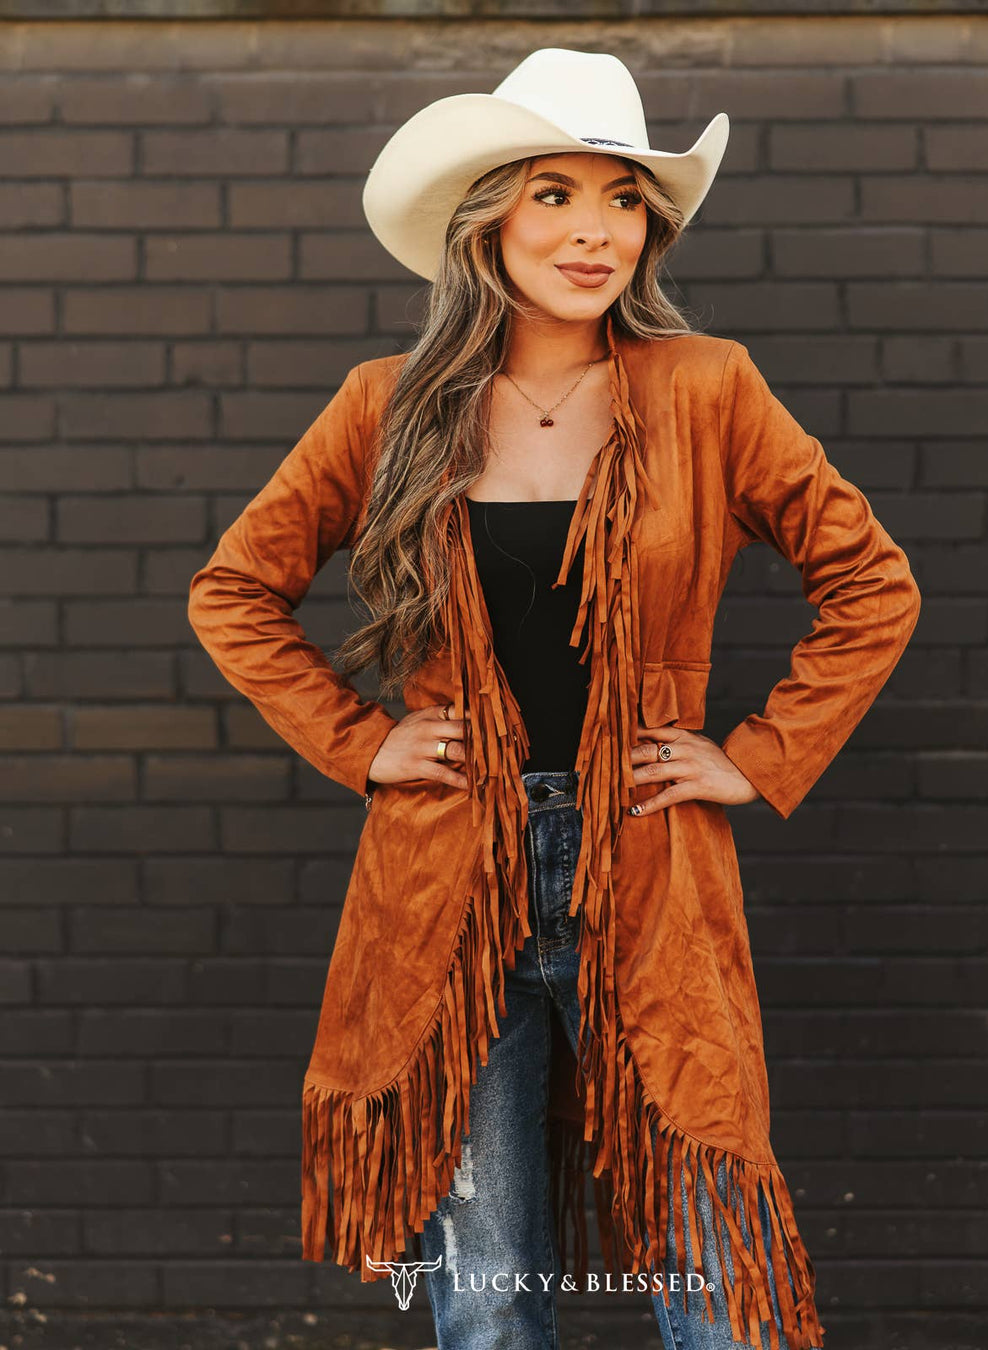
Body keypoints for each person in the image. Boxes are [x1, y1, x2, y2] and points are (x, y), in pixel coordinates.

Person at [188, 47, 920, 1350]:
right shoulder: (390, 406)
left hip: (647, 863)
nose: (596, 230)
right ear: (488, 222)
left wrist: (753, 756)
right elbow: (236, 589)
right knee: (485, 1296)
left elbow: (870, 581)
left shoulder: (708, 387)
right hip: (444, 885)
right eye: (554, 194)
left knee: (715, 1276)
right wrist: (364, 741)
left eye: (624, 199)